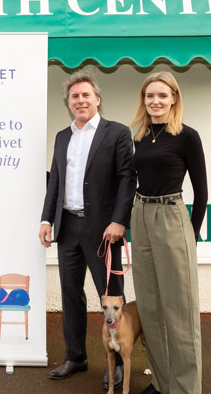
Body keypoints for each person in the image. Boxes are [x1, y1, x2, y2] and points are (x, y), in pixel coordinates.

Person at [39, 72, 136, 388]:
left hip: (104, 231)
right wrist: (46, 220)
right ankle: (76, 356)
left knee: (112, 297)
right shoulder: (62, 137)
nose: (80, 100)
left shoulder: (117, 133)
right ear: (68, 103)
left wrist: (119, 221)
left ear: (97, 99)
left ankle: (118, 363)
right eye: (74, 97)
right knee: (70, 294)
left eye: (85, 95)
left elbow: (127, 179)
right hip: (67, 227)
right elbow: (55, 181)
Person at [130, 72, 207, 394]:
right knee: (150, 305)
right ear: (143, 100)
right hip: (141, 215)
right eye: (150, 96)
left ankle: (185, 387)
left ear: (174, 98)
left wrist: (191, 235)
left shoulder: (187, 136)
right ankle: (161, 382)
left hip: (171, 216)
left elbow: (201, 192)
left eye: (162, 95)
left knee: (179, 308)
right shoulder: (139, 136)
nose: (156, 101)